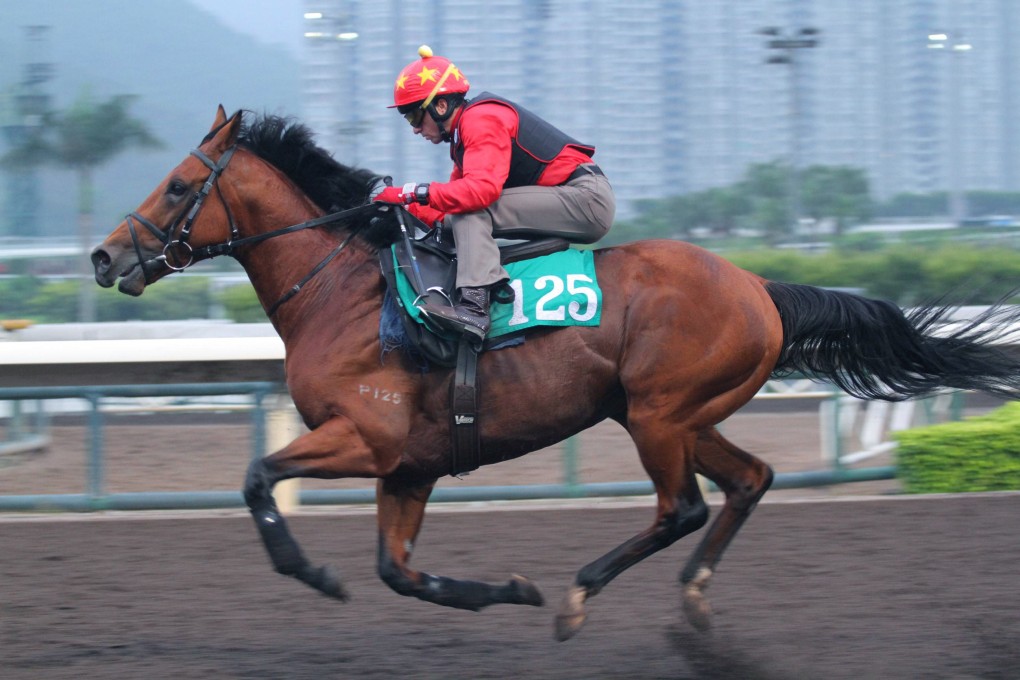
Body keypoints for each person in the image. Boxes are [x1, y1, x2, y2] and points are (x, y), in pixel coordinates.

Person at [373, 45, 615, 342]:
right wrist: (403, 207)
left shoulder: (480, 119)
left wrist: (410, 193)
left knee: (470, 212)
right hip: (572, 198)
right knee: (456, 218)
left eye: (414, 117)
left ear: (440, 106)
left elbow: (479, 193)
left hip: (586, 199)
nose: (414, 129)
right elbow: (449, 206)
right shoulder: (463, 137)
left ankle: (475, 307)